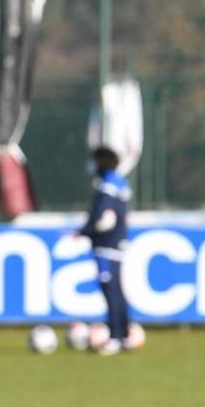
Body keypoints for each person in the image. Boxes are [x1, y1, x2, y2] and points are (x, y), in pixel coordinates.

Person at [76, 147, 132, 355]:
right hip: (117, 242)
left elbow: (105, 217)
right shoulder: (120, 182)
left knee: (111, 290)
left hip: (107, 245)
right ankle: (124, 334)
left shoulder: (107, 186)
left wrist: (85, 231)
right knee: (117, 289)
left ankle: (116, 336)